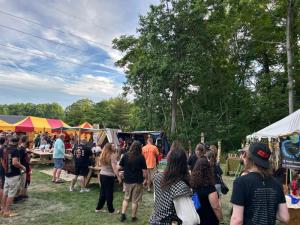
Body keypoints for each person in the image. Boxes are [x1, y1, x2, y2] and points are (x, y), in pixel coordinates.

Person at [231, 142, 290, 225]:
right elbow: (285, 217)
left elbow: (237, 220)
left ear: (249, 158)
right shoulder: (277, 183)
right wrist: (267, 210)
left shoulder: (241, 182)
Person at [150, 147, 200, 225]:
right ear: (184, 164)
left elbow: (157, 200)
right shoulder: (180, 186)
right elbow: (191, 220)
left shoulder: (157, 177)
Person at [119, 141, 148, 222]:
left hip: (127, 180)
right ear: (139, 148)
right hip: (137, 181)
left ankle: (123, 214)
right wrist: (145, 179)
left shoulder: (125, 155)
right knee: (135, 200)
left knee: (126, 198)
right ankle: (133, 217)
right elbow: (145, 171)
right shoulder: (141, 157)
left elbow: (120, 166)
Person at [0, 136, 26, 217]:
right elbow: (15, 162)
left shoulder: (4, 149)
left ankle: (3, 210)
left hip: (7, 174)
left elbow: (2, 161)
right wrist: (23, 167)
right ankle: (7, 211)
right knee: (11, 193)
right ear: (18, 142)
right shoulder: (15, 150)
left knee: (5, 192)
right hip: (14, 174)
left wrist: (6, 170)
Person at [190, 158, 221, 225]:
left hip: (197, 218)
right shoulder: (210, 188)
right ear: (208, 170)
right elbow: (216, 207)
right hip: (209, 220)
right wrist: (220, 219)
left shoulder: (193, 185)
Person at [95, 143, 121, 214]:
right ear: (109, 148)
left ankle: (98, 208)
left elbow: (101, 165)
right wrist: (118, 177)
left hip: (102, 174)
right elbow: (114, 168)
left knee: (103, 193)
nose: (114, 147)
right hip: (108, 176)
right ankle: (111, 210)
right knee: (109, 193)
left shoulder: (103, 154)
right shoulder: (112, 155)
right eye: (112, 146)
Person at [16, 135, 31, 200]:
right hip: (23, 168)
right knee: (22, 181)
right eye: (27, 139)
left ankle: (24, 194)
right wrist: (21, 168)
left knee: (25, 181)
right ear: (25, 140)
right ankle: (20, 195)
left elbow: (24, 159)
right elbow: (19, 159)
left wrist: (29, 156)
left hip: (25, 167)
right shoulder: (21, 149)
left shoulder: (23, 148)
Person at [0, 136, 6, 207]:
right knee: (2, 186)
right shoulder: (2, 149)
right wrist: (6, 169)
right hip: (1, 168)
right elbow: (2, 161)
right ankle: (1, 205)